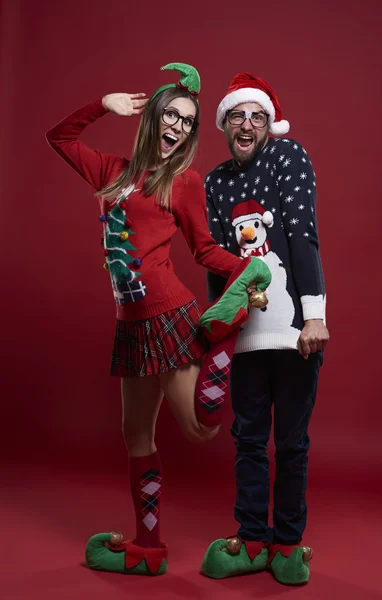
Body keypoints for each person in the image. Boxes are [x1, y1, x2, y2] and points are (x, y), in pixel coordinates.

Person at [45, 63, 268, 577]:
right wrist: (104, 103)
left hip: (168, 313)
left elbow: (205, 248)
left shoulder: (182, 181)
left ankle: (225, 335)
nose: (178, 126)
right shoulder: (112, 173)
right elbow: (58, 137)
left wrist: (249, 270)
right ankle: (148, 548)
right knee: (134, 435)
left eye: (188, 121)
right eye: (171, 114)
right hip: (130, 323)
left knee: (200, 429)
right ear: (152, 118)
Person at [200, 72, 330, 585]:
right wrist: (217, 334)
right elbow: (215, 261)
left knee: (292, 443)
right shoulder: (215, 182)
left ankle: (288, 544)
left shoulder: (288, 156)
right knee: (249, 439)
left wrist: (314, 315)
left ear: (270, 122)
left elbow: (302, 233)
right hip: (245, 334)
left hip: (297, 328)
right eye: (237, 116)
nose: (247, 124)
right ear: (225, 125)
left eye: (257, 116)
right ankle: (253, 538)